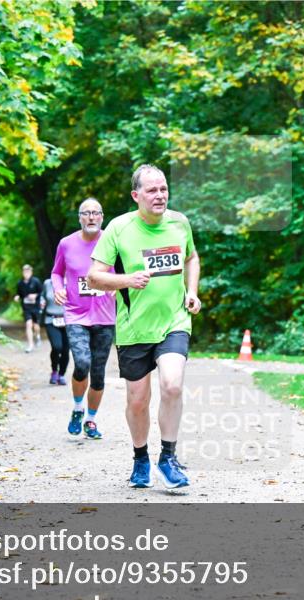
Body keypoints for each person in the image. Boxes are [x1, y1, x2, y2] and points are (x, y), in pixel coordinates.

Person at [87, 165, 200, 489]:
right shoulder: (119, 229)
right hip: (134, 328)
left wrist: (191, 292)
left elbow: (191, 258)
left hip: (174, 321)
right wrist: (127, 280)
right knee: (138, 400)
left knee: (173, 385)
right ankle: (140, 458)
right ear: (136, 196)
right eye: (152, 190)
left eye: (163, 189)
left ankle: (168, 456)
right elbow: (95, 275)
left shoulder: (180, 223)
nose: (160, 195)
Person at [51, 197, 117, 440]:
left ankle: (90, 419)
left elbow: (121, 271)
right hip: (76, 314)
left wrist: (116, 285)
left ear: (102, 217)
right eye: (86, 213)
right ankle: (78, 408)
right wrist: (57, 288)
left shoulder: (112, 242)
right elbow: (56, 273)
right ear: (79, 218)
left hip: (104, 315)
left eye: (96, 213)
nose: (91, 217)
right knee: (81, 363)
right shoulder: (66, 244)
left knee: (98, 373)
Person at [41, 278, 70, 385]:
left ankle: (61, 374)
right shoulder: (47, 283)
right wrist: (41, 302)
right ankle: (54, 371)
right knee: (57, 347)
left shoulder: (71, 281)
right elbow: (42, 296)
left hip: (68, 320)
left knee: (66, 350)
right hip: (51, 319)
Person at [13, 264, 43, 352]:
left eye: (28, 271)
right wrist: (17, 297)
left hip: (36, 306)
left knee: (36, 326)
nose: (26, 273)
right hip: (26, 307)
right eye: (25, 271)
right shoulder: (20, 283)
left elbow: (42, 292)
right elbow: (19, 293)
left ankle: (37, 335)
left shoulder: (36, 281)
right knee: (28, 324)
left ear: (31, 272)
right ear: (22, 272)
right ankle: (30, 345)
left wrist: (35, 295)